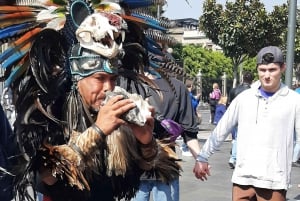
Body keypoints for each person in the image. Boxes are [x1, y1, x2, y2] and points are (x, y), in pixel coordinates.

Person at [196, 46, 300, 201]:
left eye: (272, 70)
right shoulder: (244, 98)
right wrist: (203, 157)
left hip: (274, 180)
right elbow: (222, 129)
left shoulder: (293, 100)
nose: (267, 75)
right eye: (262, 70)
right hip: (243, 178)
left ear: (282, 68)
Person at [130, 74, 203, 201]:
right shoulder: (177, 87)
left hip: (138, 162)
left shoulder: (130, 83)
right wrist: (200, 159)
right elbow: (190, 133)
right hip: (166, 162)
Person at [227, 71, 254, 168]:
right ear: (252, 80)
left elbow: (228, 104)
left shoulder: (234, 90)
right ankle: (235, 157)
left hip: (235, 116)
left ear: (242, 78)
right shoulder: (254, 92)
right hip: (248, 118)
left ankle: (234, 157)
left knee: (236, 137)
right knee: (244, 138)